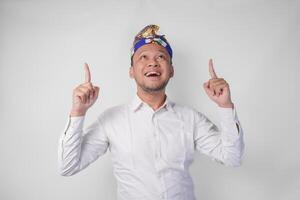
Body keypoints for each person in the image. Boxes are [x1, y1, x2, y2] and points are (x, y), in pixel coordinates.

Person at [58, 24, 244, 200]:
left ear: (171, 70)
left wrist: (225, 106)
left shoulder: (190, 118)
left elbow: (232, 157)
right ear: (131, 71)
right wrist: (78, 111)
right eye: (143, 57)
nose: (152, 63)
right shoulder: (111, 119)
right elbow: (68, 166)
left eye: (161, 57)